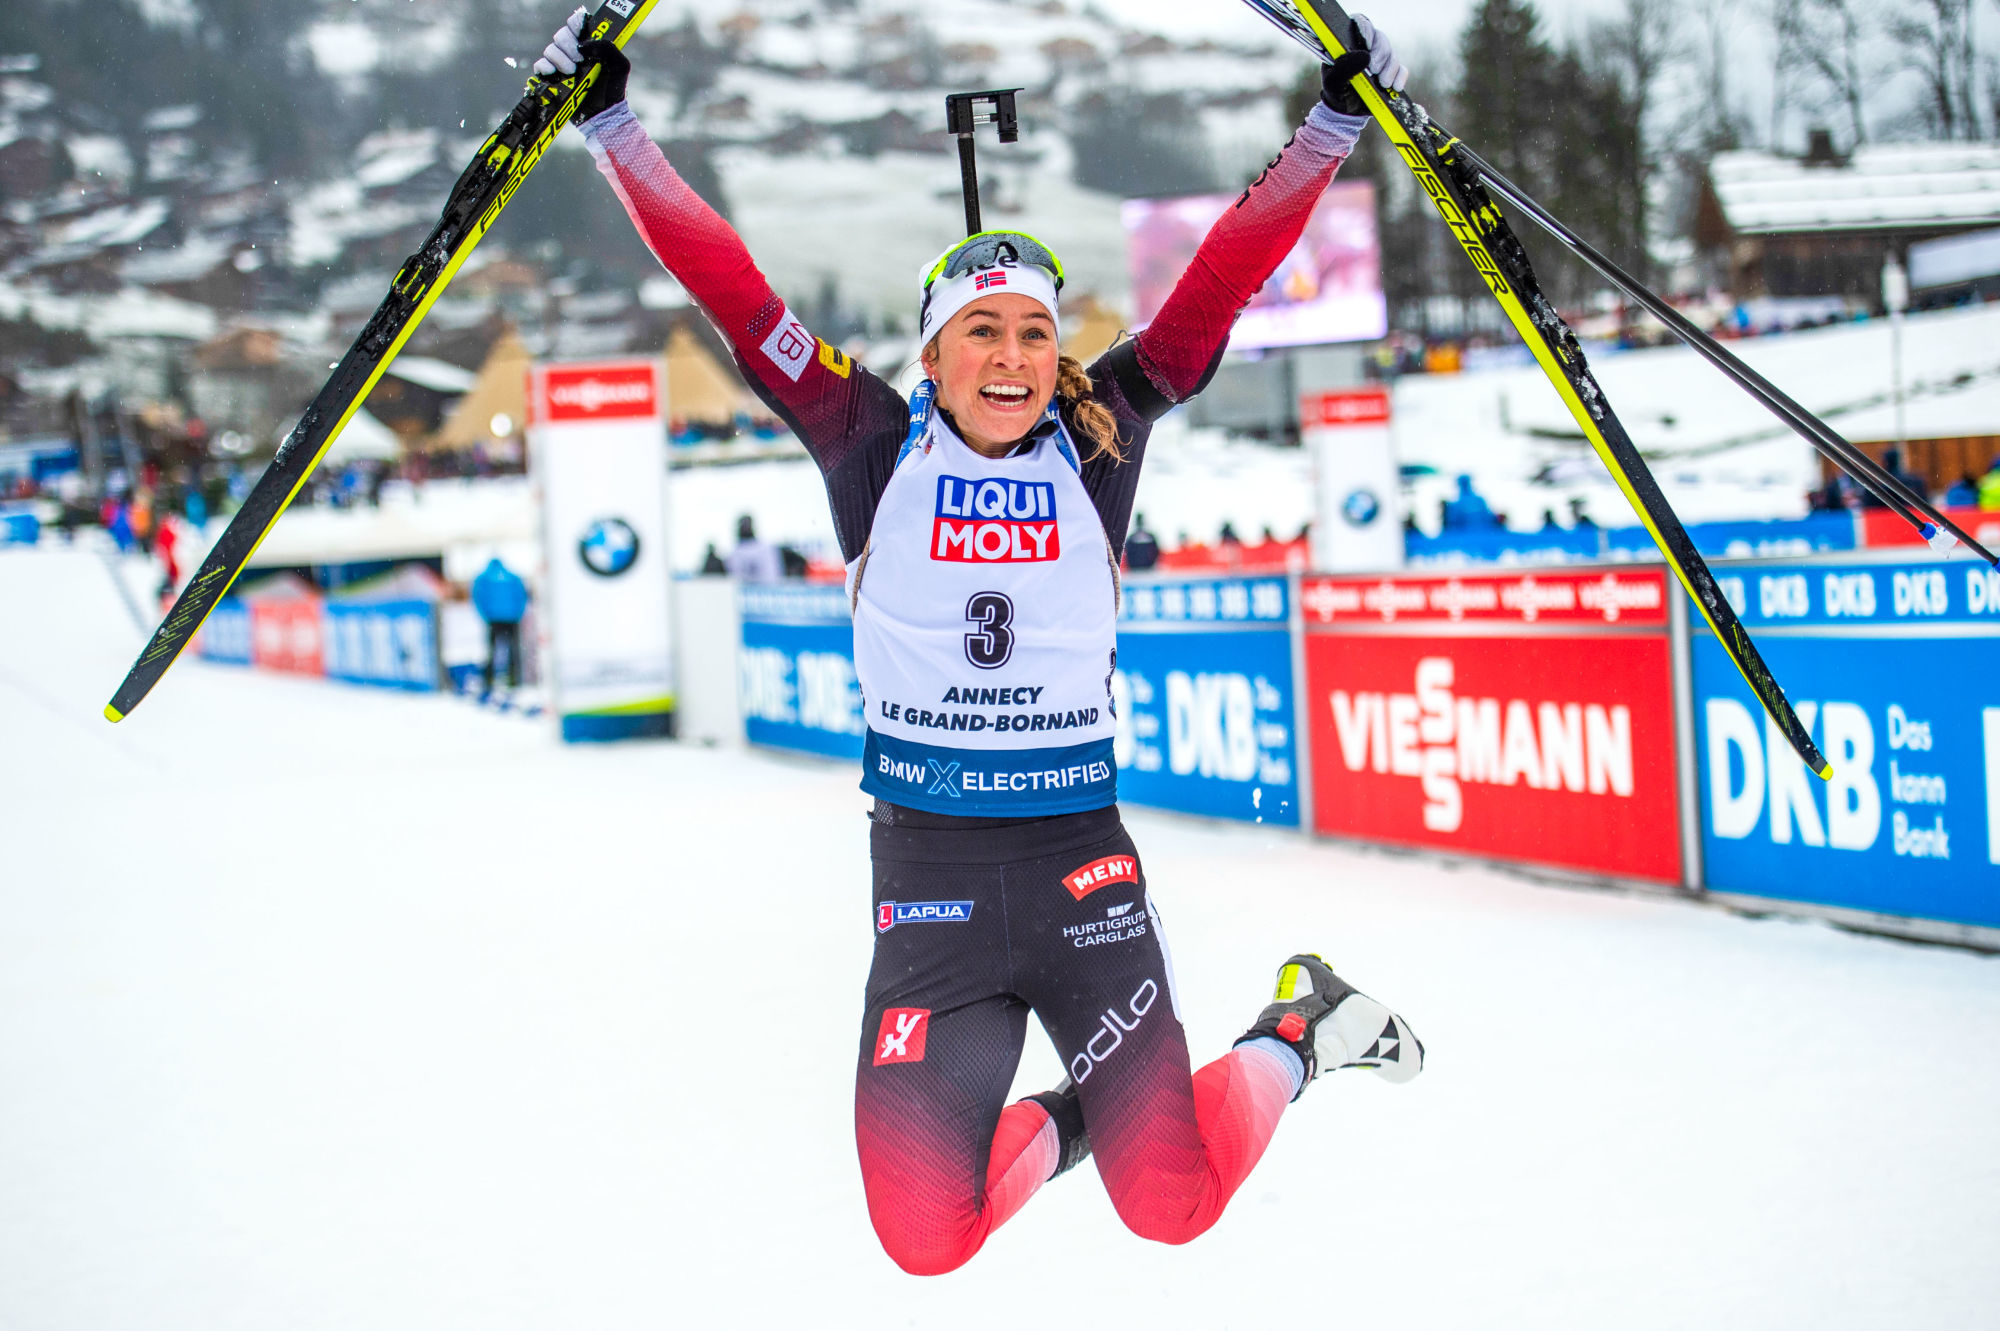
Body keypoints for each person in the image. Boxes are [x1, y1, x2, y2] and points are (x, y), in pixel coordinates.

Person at [544, 8, 1423, 1275]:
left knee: (1169, 1204)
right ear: (934, 351)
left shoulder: (1102, 429)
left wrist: (1330, 128)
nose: (1011, 357)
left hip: (1080, 879)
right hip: (931, 896)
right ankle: (1092, 1121)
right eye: (981, 331)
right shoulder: (863, 438)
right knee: (923, 1232)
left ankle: (1296, 1029)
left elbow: (1219, 278)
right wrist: (614, 127)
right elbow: (732, 293)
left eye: (1031, 331)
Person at [470, 556, 528, 695]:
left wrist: (485, 615)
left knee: (491, 650)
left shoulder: (483, 578)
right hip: (511, 618)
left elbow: (477, 597)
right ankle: (514, 678)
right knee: (513, 650)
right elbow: (522, 595)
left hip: (493, 619)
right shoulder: (513, 577)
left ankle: (489, 679)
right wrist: (518, 613)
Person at [723, 514, 782, 583]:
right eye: (743, 525)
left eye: (747, 525)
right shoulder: (733, 554)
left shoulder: (766, 548)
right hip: (742, 591)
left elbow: (774, 574)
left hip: (766, 590)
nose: (745, 528)